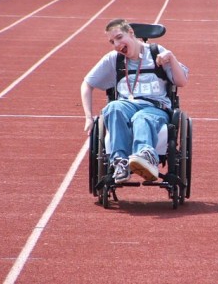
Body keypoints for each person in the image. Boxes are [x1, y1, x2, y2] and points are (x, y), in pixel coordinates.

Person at [81, 19, 189, 183]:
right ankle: (120, 163)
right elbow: (87, 84)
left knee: (141, 118)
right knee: (113, 107)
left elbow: (181, 82)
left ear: (131, 33)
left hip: (155, 106)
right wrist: (88, 117)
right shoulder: (113, 59)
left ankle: (146, 156)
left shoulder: (156, 52)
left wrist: (171, 58)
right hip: (126, 105)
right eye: (112, 42)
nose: (116, 45)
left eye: (119, 37)